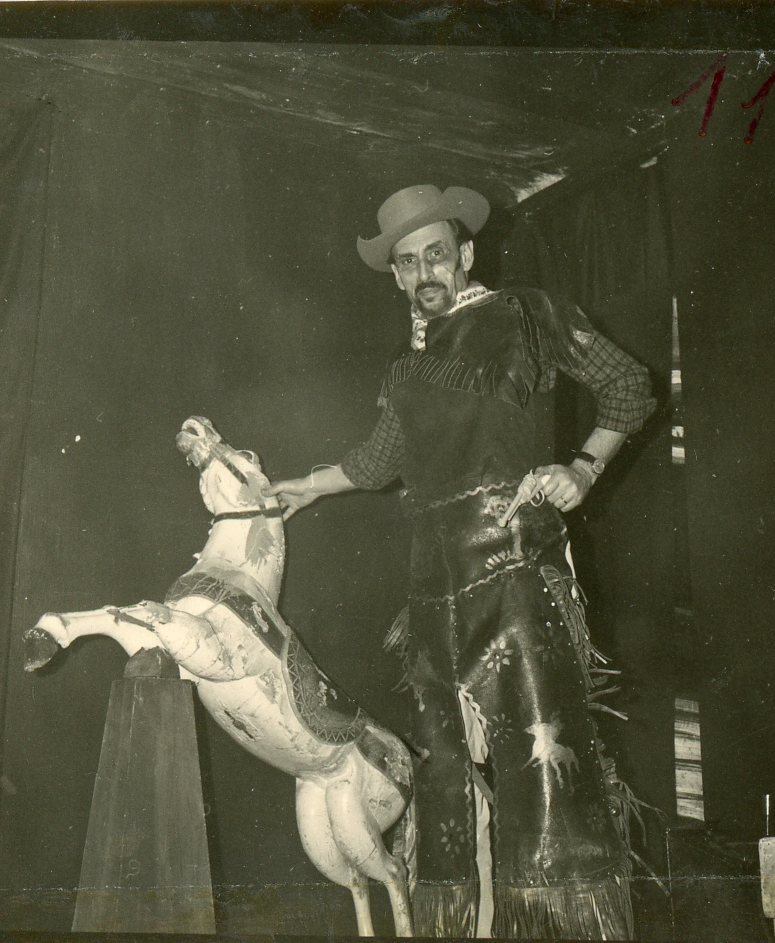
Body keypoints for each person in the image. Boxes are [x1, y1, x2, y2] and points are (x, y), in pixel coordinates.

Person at [264, 185, 656, 939]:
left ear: (466, 254)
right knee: (448, 785)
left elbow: (627, 384)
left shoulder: (527, 314)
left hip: (515, 575)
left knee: (546, 775)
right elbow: (379, 461)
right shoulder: (405, 368)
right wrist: (307, 487)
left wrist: (582, 468)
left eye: (436, 254)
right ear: (397, 276)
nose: (424, 273)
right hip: (433, 596)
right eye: (408, 263)